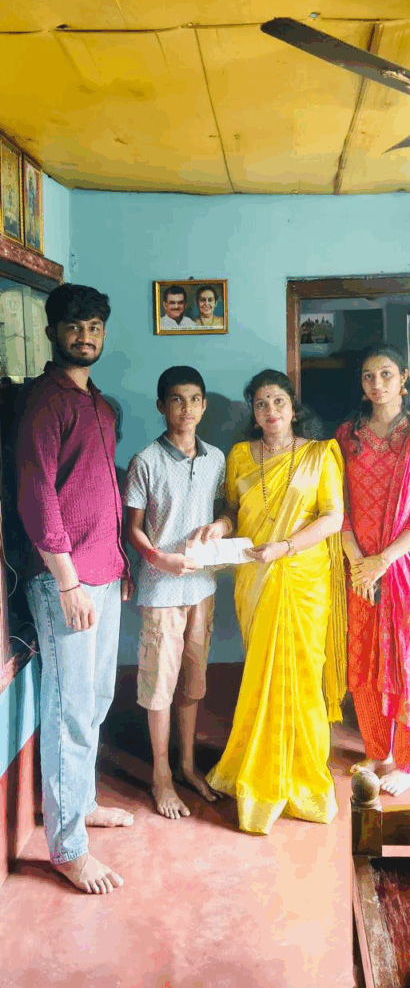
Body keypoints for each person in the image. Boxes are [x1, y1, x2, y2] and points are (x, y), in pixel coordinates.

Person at [16, 283, 135, 895]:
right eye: (73, 326)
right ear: (53, 332)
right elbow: (37, 495)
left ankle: (81, 803)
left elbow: (100, 488)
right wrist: (67, 582)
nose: (85, 336)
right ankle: (67, 848)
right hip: (65, 581)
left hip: (104, 572)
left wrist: (118, 563)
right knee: (69, 708)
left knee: (96, 699)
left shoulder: (99, 405)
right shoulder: (47, 402)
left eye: (94, 327)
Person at [191, 369, 347, 835]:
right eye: (261, 403)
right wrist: (220, 526)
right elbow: (232, 511)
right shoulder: (241, 455)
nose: (271, 410)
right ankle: (257, 766)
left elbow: (333, 517)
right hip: (255, 577)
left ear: (293, 407)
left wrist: (286, 547)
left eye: (278, 401)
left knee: (302, 673)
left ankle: (302, 775)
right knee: (262, 672)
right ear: (254, 413)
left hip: (303, 578)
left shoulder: (320, 454)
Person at [336, 344, 410, 796]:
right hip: (359, 568)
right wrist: (359, 564)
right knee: (364, 659)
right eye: (369, 376)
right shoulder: (346, 435)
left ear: (403, 378)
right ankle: (377, 751)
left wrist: (382, 561)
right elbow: (338, 505)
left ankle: (409, 761)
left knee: (409, 661)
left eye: (386, 374)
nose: (377, 384)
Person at [124, 366, 225, 820]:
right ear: (162, 406)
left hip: (202, 586)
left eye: (194, 399)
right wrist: (158, 558)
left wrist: (222, 525)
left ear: (204, 405)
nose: (187, 408)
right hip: (161, 589)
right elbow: (133, 528)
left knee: (193, 682)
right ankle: (161, 776)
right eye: (177, 399)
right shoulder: (145, 460)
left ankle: (186, 765)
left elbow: (226, 512)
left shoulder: (215, 458)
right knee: (159, 687)